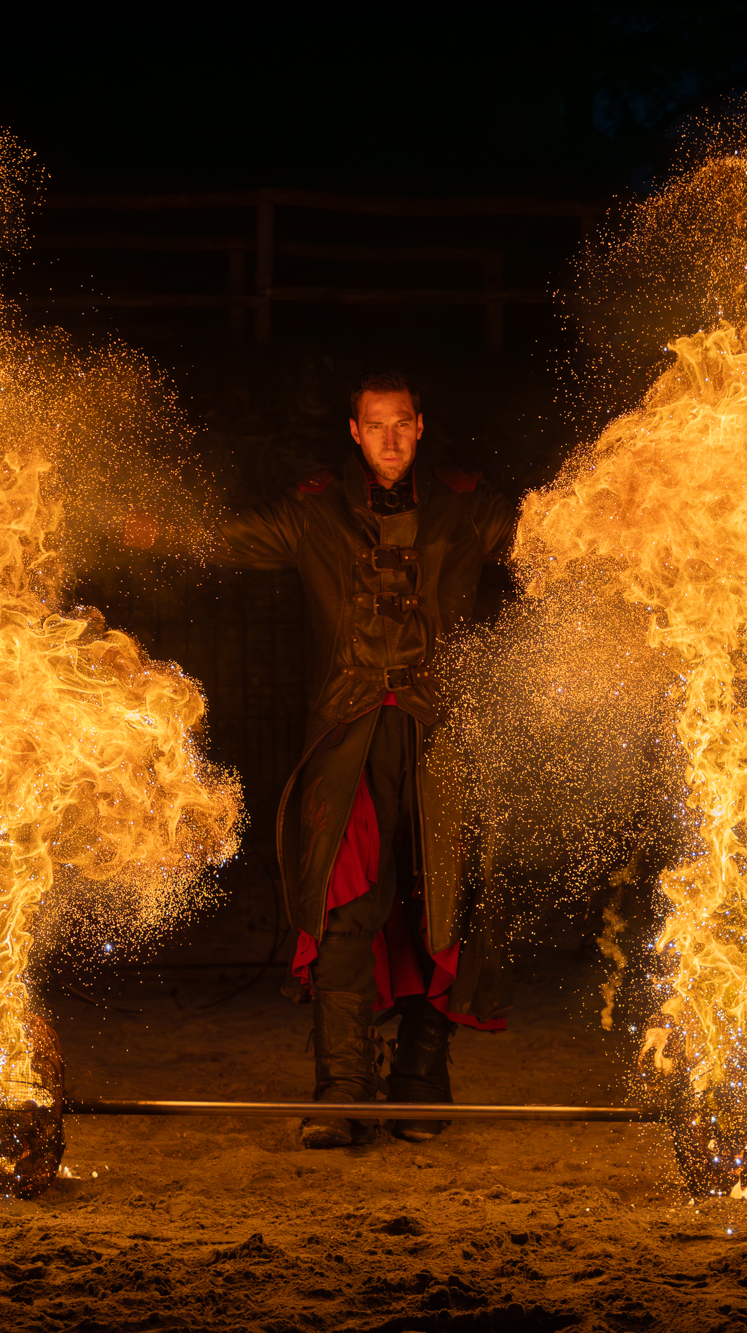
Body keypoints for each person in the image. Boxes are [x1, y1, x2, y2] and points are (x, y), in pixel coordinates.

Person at [202, 372, 517, 1148]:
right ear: (354, 432)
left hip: (441, 737)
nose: (388, 439)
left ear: (420, 425)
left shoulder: (468, 507)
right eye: (374, 426)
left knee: (441, 906)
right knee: (346, 910)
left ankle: (420, 1081)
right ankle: (342, 1087)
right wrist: (157, 528)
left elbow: (553, 540)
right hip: (348, 740)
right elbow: (230, 538)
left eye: (400, 424)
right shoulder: (313, 514)